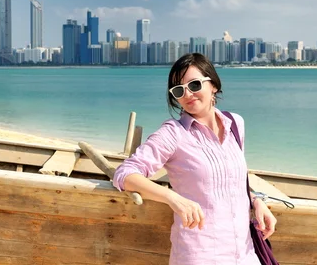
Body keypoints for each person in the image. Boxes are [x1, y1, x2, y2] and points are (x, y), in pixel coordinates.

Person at [113, 53, 277, 265]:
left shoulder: (235, 123)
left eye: (195, 84)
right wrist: (173, 198)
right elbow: (124, 174)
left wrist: (256, 201)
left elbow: (231, 180)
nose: (188, 94)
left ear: (213, 85)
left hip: (244, 254)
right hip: (200, 255)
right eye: (179, 90)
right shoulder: (173, 133)